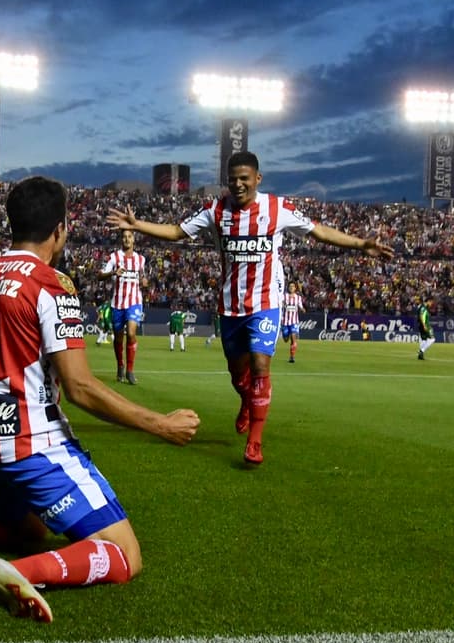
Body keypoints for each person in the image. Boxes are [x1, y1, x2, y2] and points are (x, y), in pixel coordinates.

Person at [0, 176, 199, 624]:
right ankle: (15, 573)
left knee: (27, 530)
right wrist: (160, 425)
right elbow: (81, 387)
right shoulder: (51, 285)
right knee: (126, 555)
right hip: (34, 447)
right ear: (60, 230)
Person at [107, 151, 394, 466]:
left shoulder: (277, 209)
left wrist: (361, 244)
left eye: (244, 178)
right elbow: (176, 232)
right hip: (230, 306)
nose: (238, 184)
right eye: (233, 180)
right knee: (238, 375)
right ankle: (247, 401)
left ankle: (255, 442)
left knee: (260, 366)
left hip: (266, 302)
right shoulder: (215, 210)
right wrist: (138, 225)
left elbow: (319, 231)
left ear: (258, 179)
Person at [99, 230, 147, 384]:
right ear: (122, 240)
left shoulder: (141, 259)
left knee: (132, 333)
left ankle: (130, 371)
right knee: (118, 337)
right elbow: (100, 275)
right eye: (124, 237)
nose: (127, 239)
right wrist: (113, 272)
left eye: (130, 237)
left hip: (134, 302)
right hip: (118, 303)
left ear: (134, 240)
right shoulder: (114, 257)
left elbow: (143, 277)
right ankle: (120, 365)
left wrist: (145, 282)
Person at [280, 280, 305, 363]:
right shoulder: (284, 296)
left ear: (295, 288)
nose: (291, 288)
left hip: (294, 321)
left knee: (293, 339)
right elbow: (280, 303)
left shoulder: (298, 297)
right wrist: (282, 304)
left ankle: (292, 357)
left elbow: (300, 306)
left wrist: (302, 309)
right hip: (285, 322)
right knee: (286, 339)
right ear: (288, 288)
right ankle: (286, 335)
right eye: (290, 286)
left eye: (293, 287)